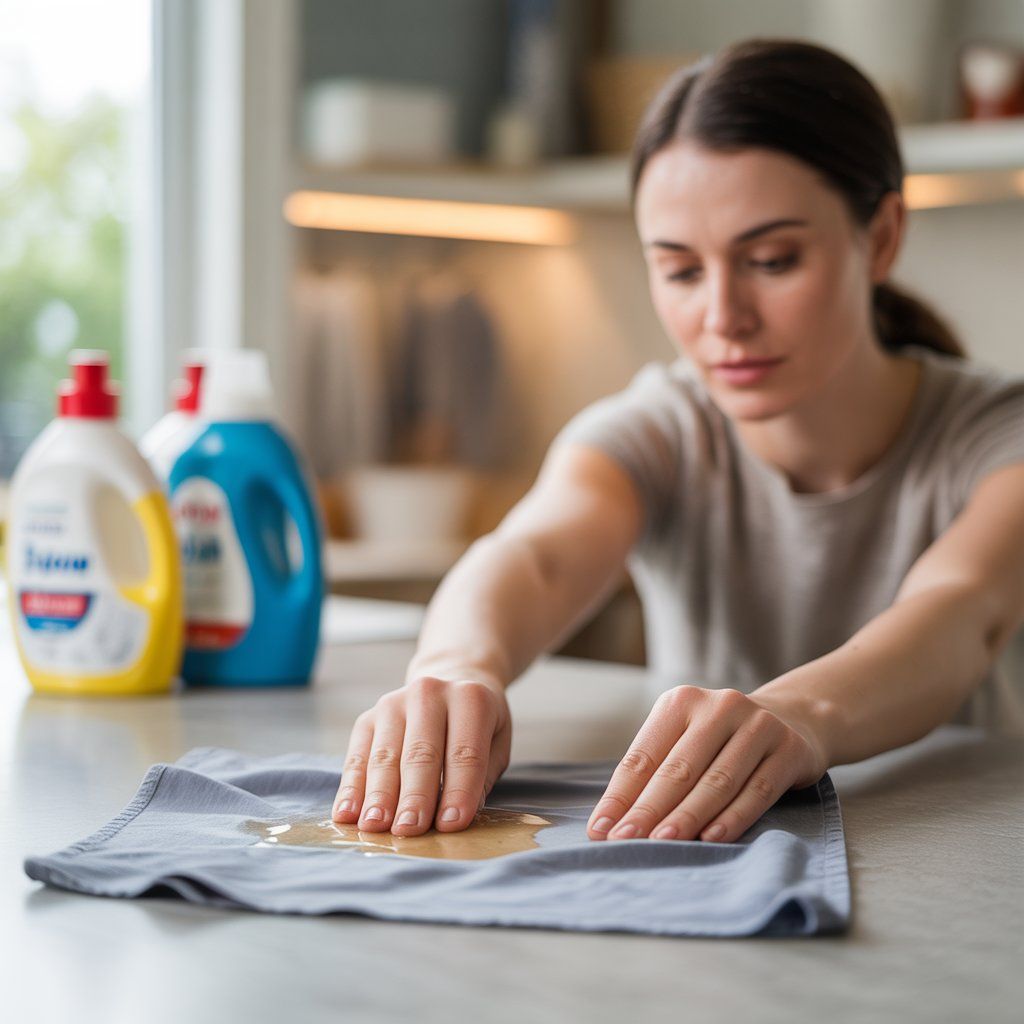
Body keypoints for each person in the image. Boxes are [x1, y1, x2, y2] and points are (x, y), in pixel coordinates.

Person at [332, 39, 1024, 844]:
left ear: (881, 238)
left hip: (958, 856)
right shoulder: (658, 428)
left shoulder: (995, 436)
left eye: (772, 260)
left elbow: (960, 611)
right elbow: (534, 554)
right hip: (694, 858)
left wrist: (795, 715)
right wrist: (454, 667)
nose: (724, 317)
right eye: (682, 271)